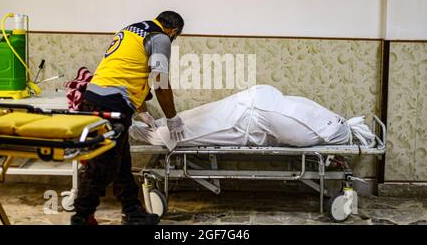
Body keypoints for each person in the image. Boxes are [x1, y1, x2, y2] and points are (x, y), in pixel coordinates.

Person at [70, 11, 185, 225]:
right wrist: (172, 117)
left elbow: (129, 71)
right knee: (101, 165)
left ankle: (133, 211)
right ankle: (82, 217)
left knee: (122, 161)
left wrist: (142, 111)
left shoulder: (131, 30)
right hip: (112, 104)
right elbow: (160, 81)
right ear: (174, 31)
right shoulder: (160, 38)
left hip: (95, 97)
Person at [129, 85, 376, 150]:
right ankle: (146, 130)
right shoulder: (324, 130)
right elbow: (285, 131)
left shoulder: (326, 120)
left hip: (254, 103)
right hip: (251, 114)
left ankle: (145, 130)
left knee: (192, 121)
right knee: (185, 129)